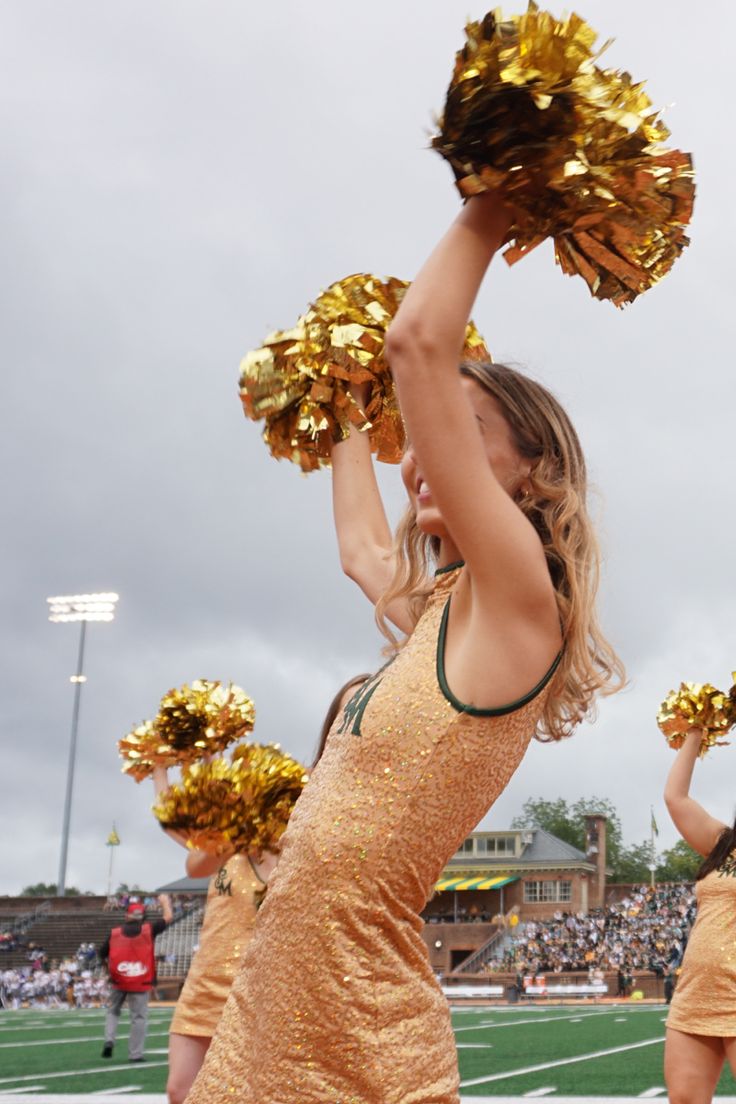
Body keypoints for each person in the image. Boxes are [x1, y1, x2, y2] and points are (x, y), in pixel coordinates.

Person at [187, 191, 622, 1104]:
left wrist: (499, 198)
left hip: (358, 1031)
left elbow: (420, 343)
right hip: (271, 1009)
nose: (417, 456)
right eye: (416, 440)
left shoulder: (517, 604)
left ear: (532, 473)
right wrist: (341, 399)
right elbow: (359, 551)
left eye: (451, 434)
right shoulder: (445, 609)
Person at [159, 674, 369, 1104]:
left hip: (271, 981)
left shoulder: (343, 806)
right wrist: (164, 769)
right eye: (344, 712)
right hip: (208, 978)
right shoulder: (276, 799)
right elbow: (194, 853)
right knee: (181, 1091)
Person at [663, 727, 736, 1103]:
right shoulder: (723, 842)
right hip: (697, 993)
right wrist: (696, 729)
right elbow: (676, 798)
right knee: (685, 1099)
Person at [100, 894, 173, 1062]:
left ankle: (109, 1039)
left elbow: (101, 954)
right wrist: (164, 903)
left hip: (118, 979)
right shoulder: (149, 930)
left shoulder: (115, 933)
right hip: (140, 981)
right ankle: (135, 1054)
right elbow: (168, 917)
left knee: (113, 1011)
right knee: (138, 1018)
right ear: (142, 917)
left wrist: (109, 972)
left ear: (127, 916)